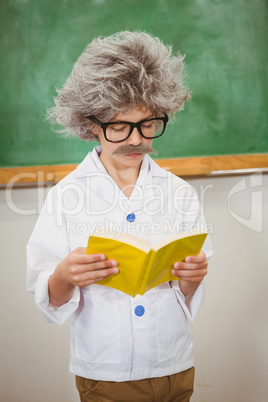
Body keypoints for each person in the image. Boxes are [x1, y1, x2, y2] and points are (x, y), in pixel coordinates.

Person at [27, 31, 213, 402]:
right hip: (106, 374)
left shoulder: (179, 193)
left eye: (147, 124)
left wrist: (192, 277)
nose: (136, 140)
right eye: (118, 127)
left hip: (174, 367)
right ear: (90, 124)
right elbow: (46, 293)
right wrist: (64, 274)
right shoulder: (67, 196)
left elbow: (186, 292)